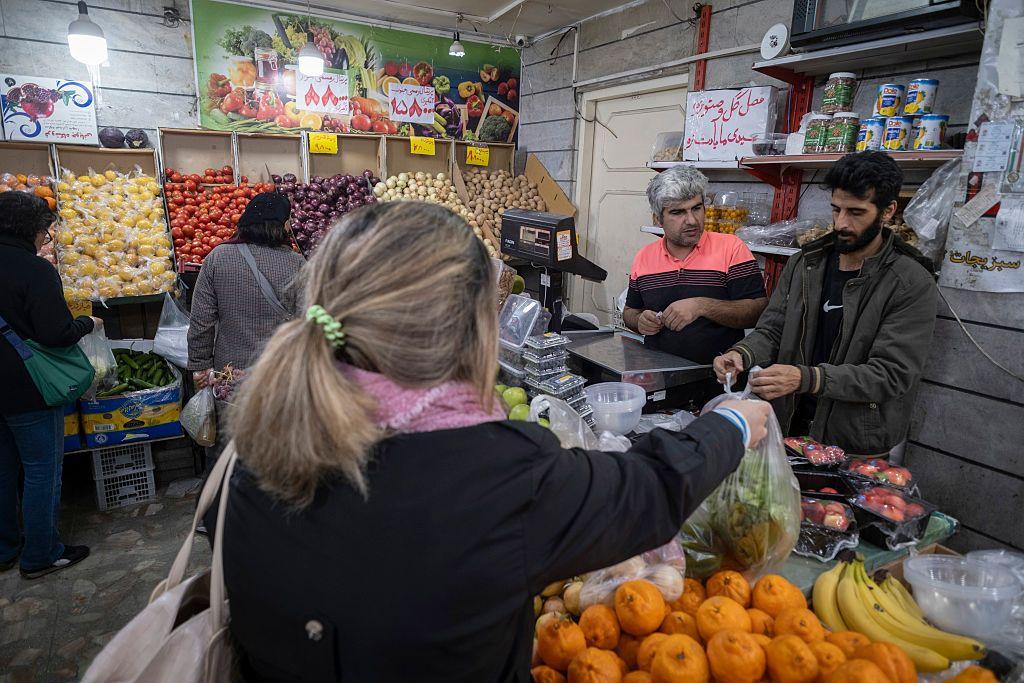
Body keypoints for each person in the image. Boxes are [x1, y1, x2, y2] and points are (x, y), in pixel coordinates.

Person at [207, 202, 771, 681]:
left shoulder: (256, 440)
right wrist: (734, 423)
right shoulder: (494, 474)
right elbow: (647, 491)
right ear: (472, 326)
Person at [714, 151, 937, 456]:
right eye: (836, 210)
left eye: (856, 213)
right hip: (787, 427)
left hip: (852, 443)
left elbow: (891, 375)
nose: (841, 223)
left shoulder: (909, 282)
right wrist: (742, 353)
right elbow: (774, 329)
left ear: (888, 211)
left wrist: (807, 378)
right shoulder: (806, 264)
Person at [0, 192, 102, 579]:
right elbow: (56, 333)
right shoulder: (35, 270)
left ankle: (5, 549)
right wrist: (88, 325)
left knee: (4, 469)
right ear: (30, 229)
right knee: (42, 469)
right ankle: (41, 554)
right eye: (45, 228)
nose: (47, 236)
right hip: (28, 385)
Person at [623, 165, 768, 364]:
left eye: (696, 208)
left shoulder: (731, 248)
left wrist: (702, 306)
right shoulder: (644, 257)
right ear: (657, 219)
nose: (691, 220)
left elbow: (758, 311)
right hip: (659, 376)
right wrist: (640, 322)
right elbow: (630, 312)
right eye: (678, 212)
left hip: (720, 377)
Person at [187, 191, 305, 388]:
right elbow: (307, 322)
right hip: (279, 373)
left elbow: (201, 320)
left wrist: (200, 365)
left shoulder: (218, 257)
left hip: (229, 374)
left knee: (232, 417)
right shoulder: (297, 264)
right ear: (283, 225)